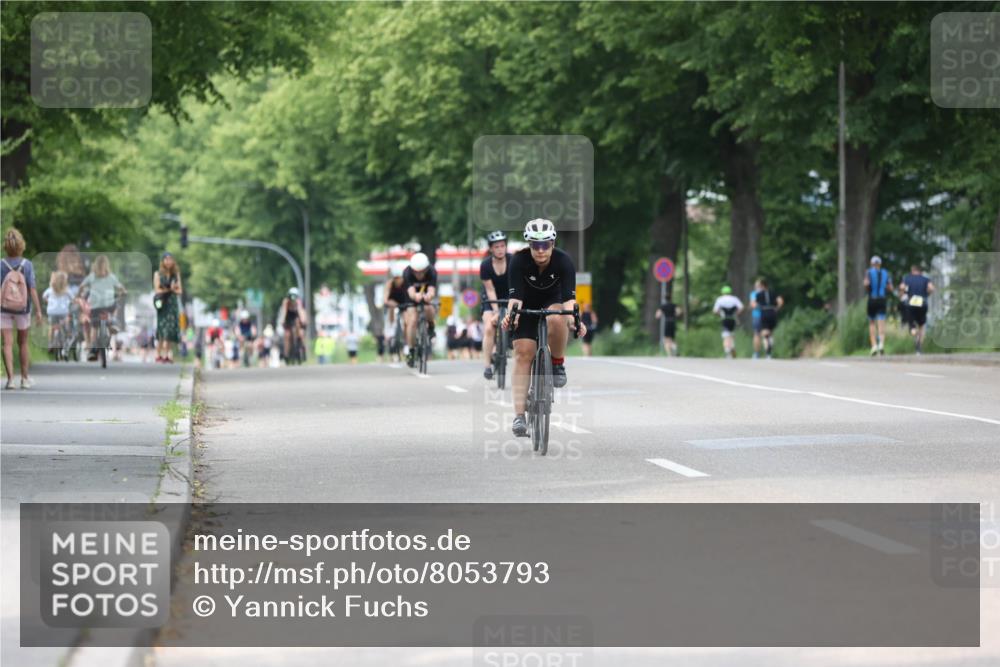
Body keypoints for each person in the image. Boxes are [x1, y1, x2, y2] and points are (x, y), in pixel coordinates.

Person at [502, 219, 585, 437]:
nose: (540, 250)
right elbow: (515, 299)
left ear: (552, 243)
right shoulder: (518, 261)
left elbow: (569, 301)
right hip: (526, 305)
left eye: (545, 244)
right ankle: (519, 416)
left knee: (558, 317)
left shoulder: (564, 261)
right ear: (528, 244)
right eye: (535, 245)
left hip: (553, 301)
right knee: (523, 353)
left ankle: (557, 363)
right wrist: (511, 317)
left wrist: (576, 321)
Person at [2, 227, 43, 389]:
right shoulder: (27, 265)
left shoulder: (0, 265)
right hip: (23, 309)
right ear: (21, 245)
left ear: (6, 246)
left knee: (7, 343)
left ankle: (10, 379)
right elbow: (32, 289)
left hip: (3, 309)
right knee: (23, 343)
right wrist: (39, 311)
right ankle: (24, 379)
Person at [79, 254, 126, 361]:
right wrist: (123, 292)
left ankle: (92, 349)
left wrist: (80, 294)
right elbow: (121, 287)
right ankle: (112, 324)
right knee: (113, 307)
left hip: (95, 306)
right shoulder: (111, 276)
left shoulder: (91, 276)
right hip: (109, 306)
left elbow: (82, 286)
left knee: (94, 327)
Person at [480, 231, 511, 379]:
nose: (500, 249)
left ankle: (507, 343)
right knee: (489, 327)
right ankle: (487, 366)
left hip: (511, 296)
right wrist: (496, 312)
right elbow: (490, 290)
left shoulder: (513, 261)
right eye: (496, 246)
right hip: (491, 299)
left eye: (502, 246)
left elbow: (517, 287)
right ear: (491, 249)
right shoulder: (485, 265)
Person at [402, 252, 437, 367]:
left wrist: (428, 296)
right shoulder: (407, 273)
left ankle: (431, 326)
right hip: (411, 295)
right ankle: (411, 350)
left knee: (429, 308)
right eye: (416, 272)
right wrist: (415, 296)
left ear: (426, 269)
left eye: (422, 271)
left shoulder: (432, 271)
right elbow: (411, 292)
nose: (419, 274)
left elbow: (432, 290)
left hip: (426, 292)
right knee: (412, 321)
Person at [153, 252, 182, 363]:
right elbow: (157, 290)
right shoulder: (158, 274)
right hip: (162, 303)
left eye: (170, 259)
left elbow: (180, 291)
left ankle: (167, 354)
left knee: (170, 329)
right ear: (163, 261)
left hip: (172, 304)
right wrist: (170, 289)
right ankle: (158, 353)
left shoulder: (176, 275)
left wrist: (173, 289)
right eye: (166, 259)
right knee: (162, 328)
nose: (169, 261)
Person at [900, 264, 935, 355]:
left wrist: (905, 293)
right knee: (922, 325)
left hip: (911, 302)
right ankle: (919, 347)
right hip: (922, 302)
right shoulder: (925, 279)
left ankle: (914, 332)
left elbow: (902, 287)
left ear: (912, 270)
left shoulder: (907, 278)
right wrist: (927, 294)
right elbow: (931, 288)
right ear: (920, 271)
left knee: (912, 324)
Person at [863, 255, 893, 356]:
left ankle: (874, 346)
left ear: (872, 264)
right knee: (881, 322)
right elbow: (890, 287)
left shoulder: (869, 272)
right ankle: (881, 344)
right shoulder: (885, 273)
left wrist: (868, 288)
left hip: (872, 299)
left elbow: (866, 284)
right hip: (882, 299)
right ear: (880, 264)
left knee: (872, 323)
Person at [750, 278, 783, 359]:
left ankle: (764, 352)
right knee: (770, 333)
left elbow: (753, 304)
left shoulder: (757, 294)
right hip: (772, 312)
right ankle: (769, 353)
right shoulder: (773, 293)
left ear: (761, 286)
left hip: (763, 313)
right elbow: (780, 301)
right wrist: (776, 308)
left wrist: (759, 307)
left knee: (763, 334)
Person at [42, 270, 72, 353]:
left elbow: (44, 296)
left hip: (52, 312)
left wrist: (49, 302)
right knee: (65, 325)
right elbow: (72, 299)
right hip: (63, 312)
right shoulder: (67, 290)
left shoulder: (51, 289)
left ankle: (50, 344)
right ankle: (67, 338)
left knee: (51, 327)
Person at [712, 285, 743, 359]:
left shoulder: (720, 299)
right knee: (731, 334)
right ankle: (732, 346)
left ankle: (727, 350)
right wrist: (737, 313)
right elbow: (741, 307)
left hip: (724, 319)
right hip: (733, 319)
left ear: (722, 292)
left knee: (726, 335)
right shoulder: (734, 299)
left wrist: (720, 313)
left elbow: (715, 311)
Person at [383, 266, 407, 357]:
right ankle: (392, 329)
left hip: (404, 303)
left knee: (406, 321)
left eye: (399, 278)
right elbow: (385, 297)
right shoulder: (390, 284)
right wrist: (387, 302)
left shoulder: (406, 284)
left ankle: (406, 341)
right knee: (391, 309)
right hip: (393, 302)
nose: (398, 280)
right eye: (396, 278)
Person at [279, 287, 307, 362]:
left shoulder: (298, 301)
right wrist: (282, 320)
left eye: (294, 295)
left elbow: (301, 311)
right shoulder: (286, 301)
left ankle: (302, 348)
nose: (293, 298)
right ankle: (286, 354)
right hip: (288, 317)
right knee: (287, 335)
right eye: (291, 295)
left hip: (296, 316)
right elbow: (284, 312)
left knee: (301, 332)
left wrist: (303, 320)